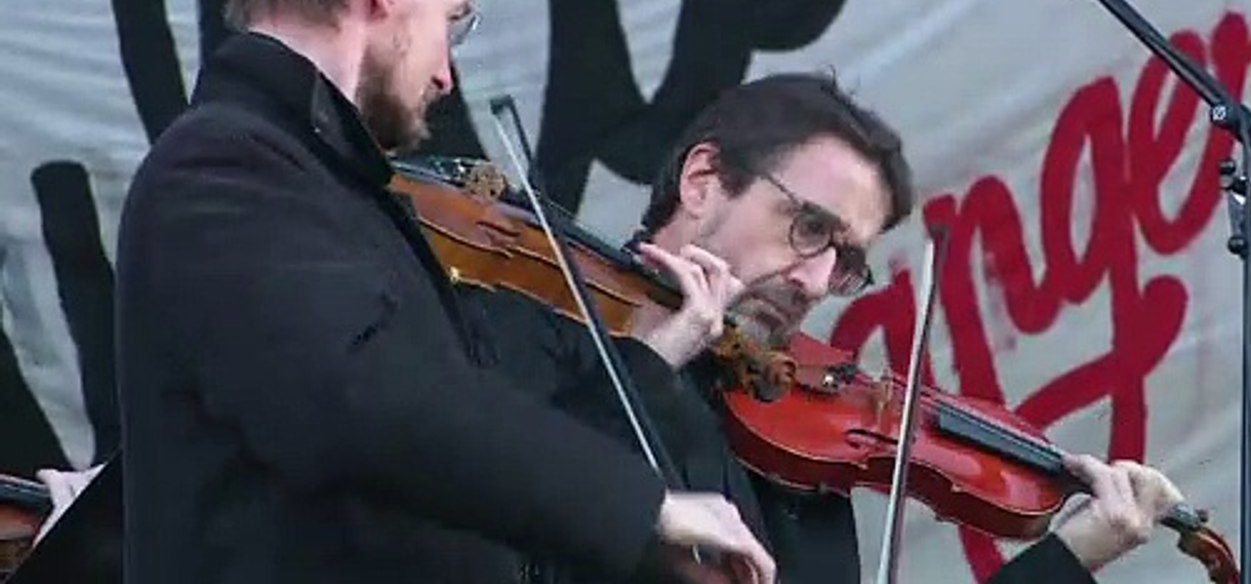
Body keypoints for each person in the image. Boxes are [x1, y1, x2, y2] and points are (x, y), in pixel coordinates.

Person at [111, 0, 775, 583]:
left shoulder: (319, 182)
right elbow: (358, 402)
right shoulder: (224, 167)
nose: (445, 76)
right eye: (452, 19)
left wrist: (637, 515)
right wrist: (643, 508)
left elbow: (453, 449)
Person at [444, 72, 1187, 583]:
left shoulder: (801, 455)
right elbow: (494, 543)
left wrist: (1071, 557)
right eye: (807, 228)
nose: (814, 282)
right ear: (703, 182)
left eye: (846, 262)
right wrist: (655, 357)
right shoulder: (516, 329)